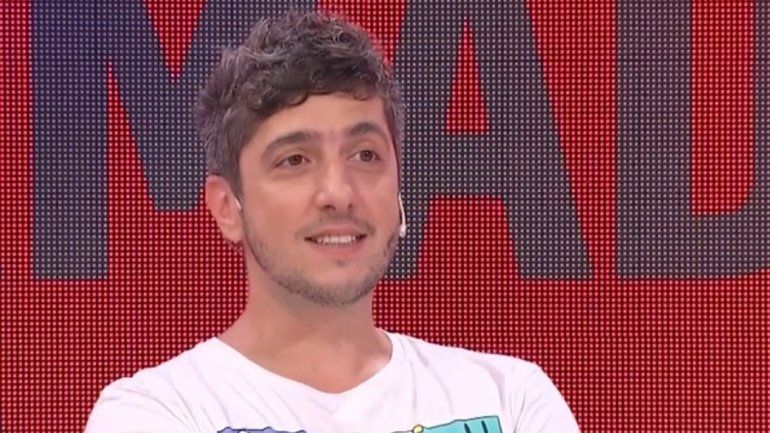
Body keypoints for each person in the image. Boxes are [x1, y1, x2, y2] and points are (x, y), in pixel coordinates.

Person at [85, 9, 580, 433]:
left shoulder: (509, 399)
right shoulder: (158, 411)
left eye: (365, 155)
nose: (339, 194)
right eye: (295, 160)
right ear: (227, 207)